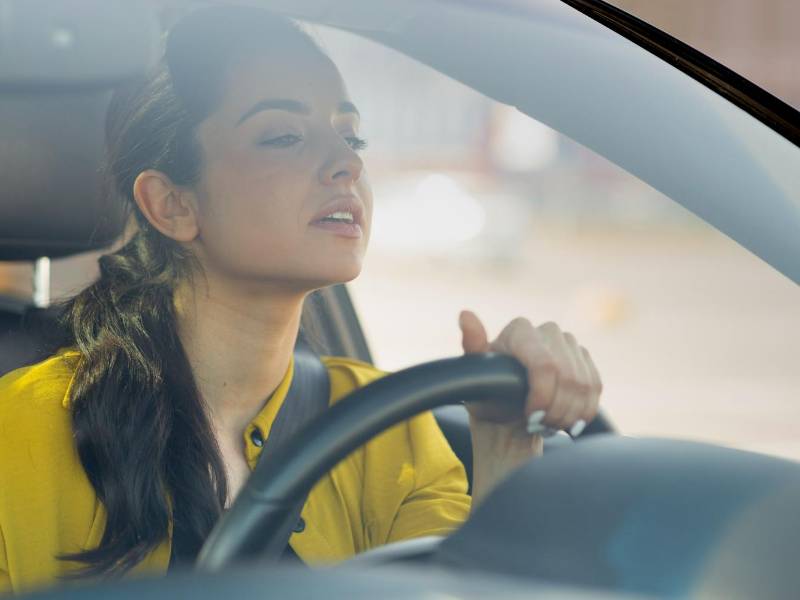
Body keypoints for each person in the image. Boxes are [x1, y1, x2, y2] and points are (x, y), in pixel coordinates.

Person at [0, 6, 602, 594]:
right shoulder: (18, 431)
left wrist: (505, 445)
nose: (345, 164)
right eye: (284, 136)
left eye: (351, 134)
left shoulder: (387, 429)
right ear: (172, 204)